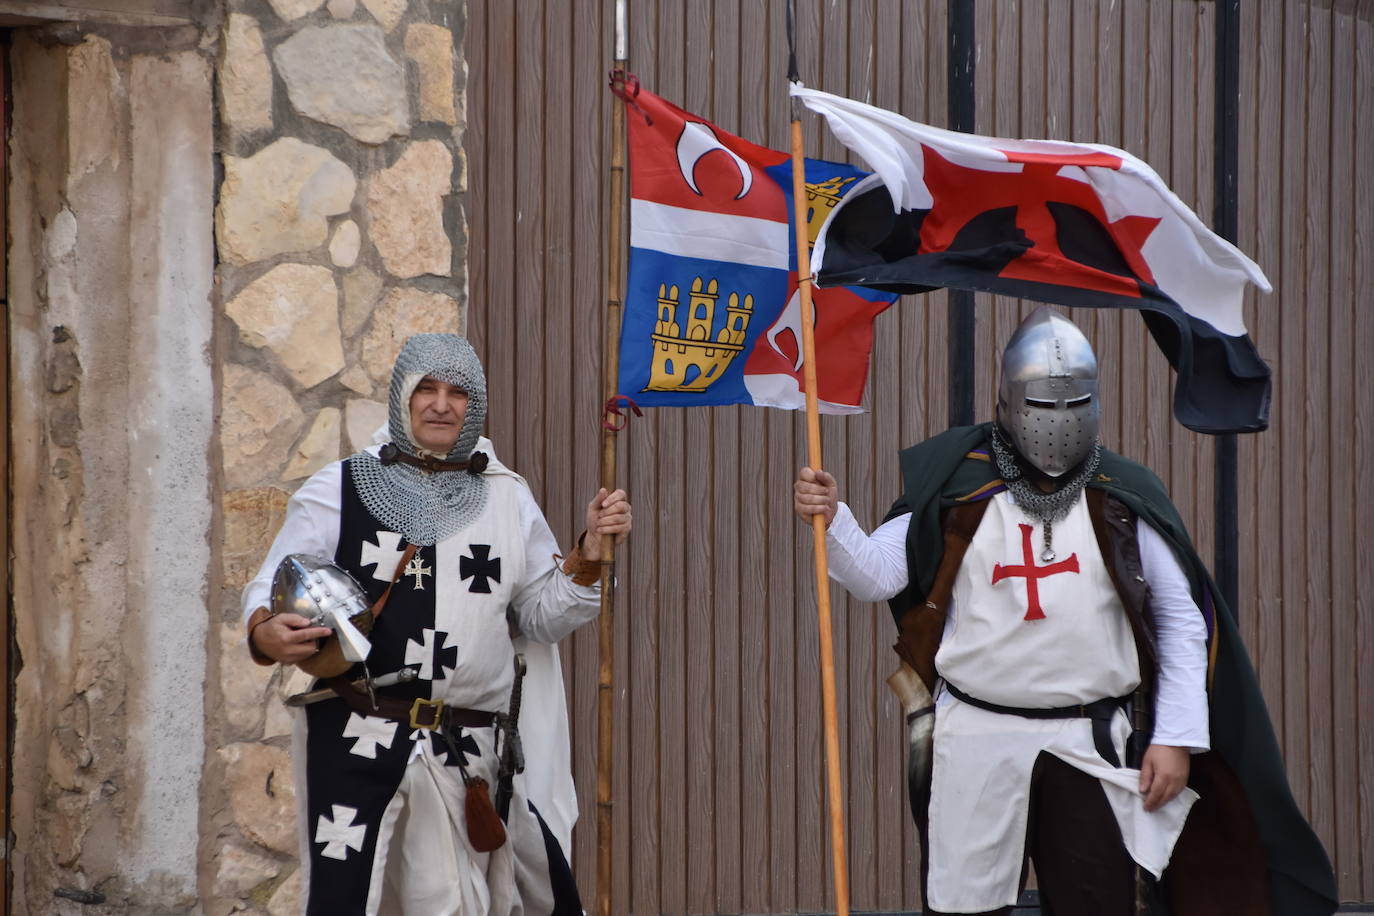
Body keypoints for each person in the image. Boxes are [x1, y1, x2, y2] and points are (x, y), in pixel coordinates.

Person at [794, 307, 1336, 916]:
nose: (1057, 422)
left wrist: (1177, 738)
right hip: (976, 735)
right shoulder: (958, 485)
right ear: (1008, 400)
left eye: (1072, 404)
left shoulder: (1121, 494)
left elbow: (1180, 621)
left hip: (1090, 741)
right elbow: (876, 574)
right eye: (1043, 405)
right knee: (963, 908)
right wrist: (832, 517)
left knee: (1096, 904)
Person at [242, 333, 631, 915]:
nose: (442, 405)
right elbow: (274, 581)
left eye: (458, 393)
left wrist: (588, 557)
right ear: (403, 398)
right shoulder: (343, 487)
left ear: (474, 407)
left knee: (452, 905)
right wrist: (264, 632)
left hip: (466, 748)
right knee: (344, 902)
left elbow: (539, 618)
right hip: (358, 733)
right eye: (427, 389)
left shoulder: (506, 499)